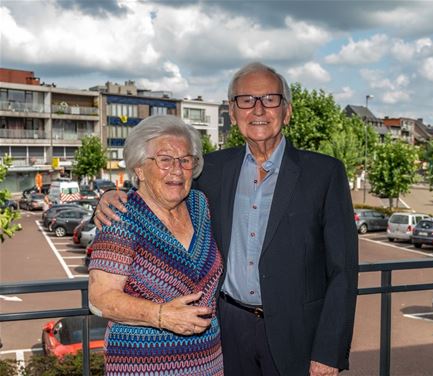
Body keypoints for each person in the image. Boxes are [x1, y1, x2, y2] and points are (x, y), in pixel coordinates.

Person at [96, 62, 358, 376]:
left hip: (296, 333)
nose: (258, 109)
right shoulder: (213, 170)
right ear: (232, 115)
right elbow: (160, 182)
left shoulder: (324, 173)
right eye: (246, 100)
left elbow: (343, 272)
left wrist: (328, 352)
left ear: (286, 111)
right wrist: (111, 195)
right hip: (226, 331)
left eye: (270, 99)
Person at [88, 115, 223, 375]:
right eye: (164, 159)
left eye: (185, 160)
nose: (177, 169)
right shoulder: (121, 215)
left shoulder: (199, 205)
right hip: (144, 363)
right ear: (139, 168)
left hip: (208, 361)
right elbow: (99, 299)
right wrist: (161, 315)